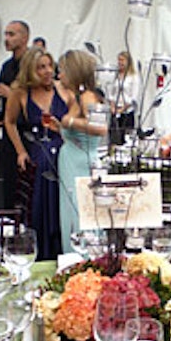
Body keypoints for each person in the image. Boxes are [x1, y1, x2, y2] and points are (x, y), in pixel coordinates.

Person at [4, 47, 71, 260]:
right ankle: (43, 249)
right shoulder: (20, 93)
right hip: (38, 151)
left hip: (63, 148)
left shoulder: (62, 89)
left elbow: (75, 123)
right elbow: (10, 121)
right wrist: (20, 151)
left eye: (50, 65)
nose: (48, 71)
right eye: (41, 67)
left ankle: (64, 246)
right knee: (41, 168)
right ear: (31, 70)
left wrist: (62, 128)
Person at [58, 50, 108, 253]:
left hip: (81, 165)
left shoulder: (88, 96)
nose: (59, 76)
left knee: (81, 213)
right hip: (72, 162)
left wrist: (69, 121)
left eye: (62, 71)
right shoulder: (77, 98)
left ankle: (84, 257)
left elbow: (100, 127)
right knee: (73, 212)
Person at [0, 20, 30, 207]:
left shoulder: (33, 65)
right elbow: (0, 95)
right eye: (6, 34)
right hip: (9, 130)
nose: (6, 39)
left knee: (27, 185)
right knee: (9, 183)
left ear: (25, 37)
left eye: (11, 34)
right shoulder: (6, 66)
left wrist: (13, 95)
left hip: (29, 132)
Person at [109, 51, 139, 145]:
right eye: (118, 60)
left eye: (122, 60)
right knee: (114, 137)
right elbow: (112, 93)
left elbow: (133, 97)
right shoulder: (116, 75)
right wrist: (113, 106)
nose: (120, 62)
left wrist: (122, 109)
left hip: (127, 112)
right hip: (115, 110)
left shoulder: (133, 77)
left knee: (126, 138)